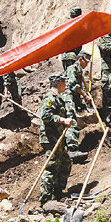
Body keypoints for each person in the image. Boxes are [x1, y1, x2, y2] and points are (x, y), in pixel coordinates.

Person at [39, 74, 74, 205]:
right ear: (59, 82)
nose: (65, 85)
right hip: (50, 137)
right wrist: (63, 120)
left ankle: (58, 192)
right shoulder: (50, 97)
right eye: (64, 82)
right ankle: (46, 199)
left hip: (57, 137)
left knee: (65, 162)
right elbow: (46, 116)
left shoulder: (58, 98)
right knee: (51, 166)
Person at [62, 51, 92, 162]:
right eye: (86, 61)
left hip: (71, 97)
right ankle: (73, 150)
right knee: (71, 121)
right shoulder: (72, 68)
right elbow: (72, 84)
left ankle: (67, 149)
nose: (87, 64)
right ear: (81, 59)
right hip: (67, 97)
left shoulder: (77, 69)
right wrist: (84, 95)